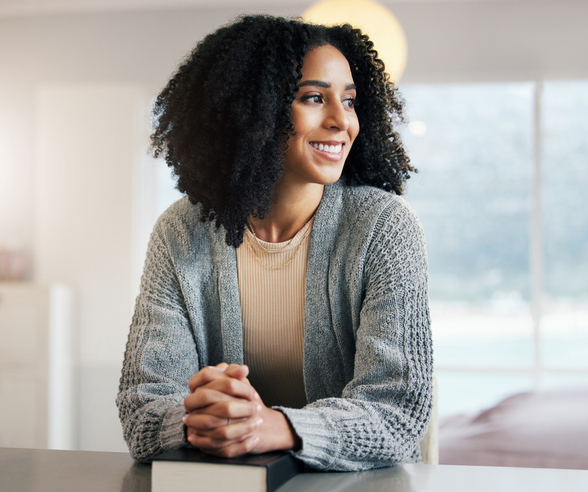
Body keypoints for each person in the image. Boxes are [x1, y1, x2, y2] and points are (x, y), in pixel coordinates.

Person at [116, 14, 432, 472]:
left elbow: (398, 412)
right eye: (313, 98)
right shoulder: (180, 232)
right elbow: (143, 408)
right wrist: (204, 416)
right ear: (252, 109)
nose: (342, 120)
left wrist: (272, 426)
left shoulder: (383, 229)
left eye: (348, 100)